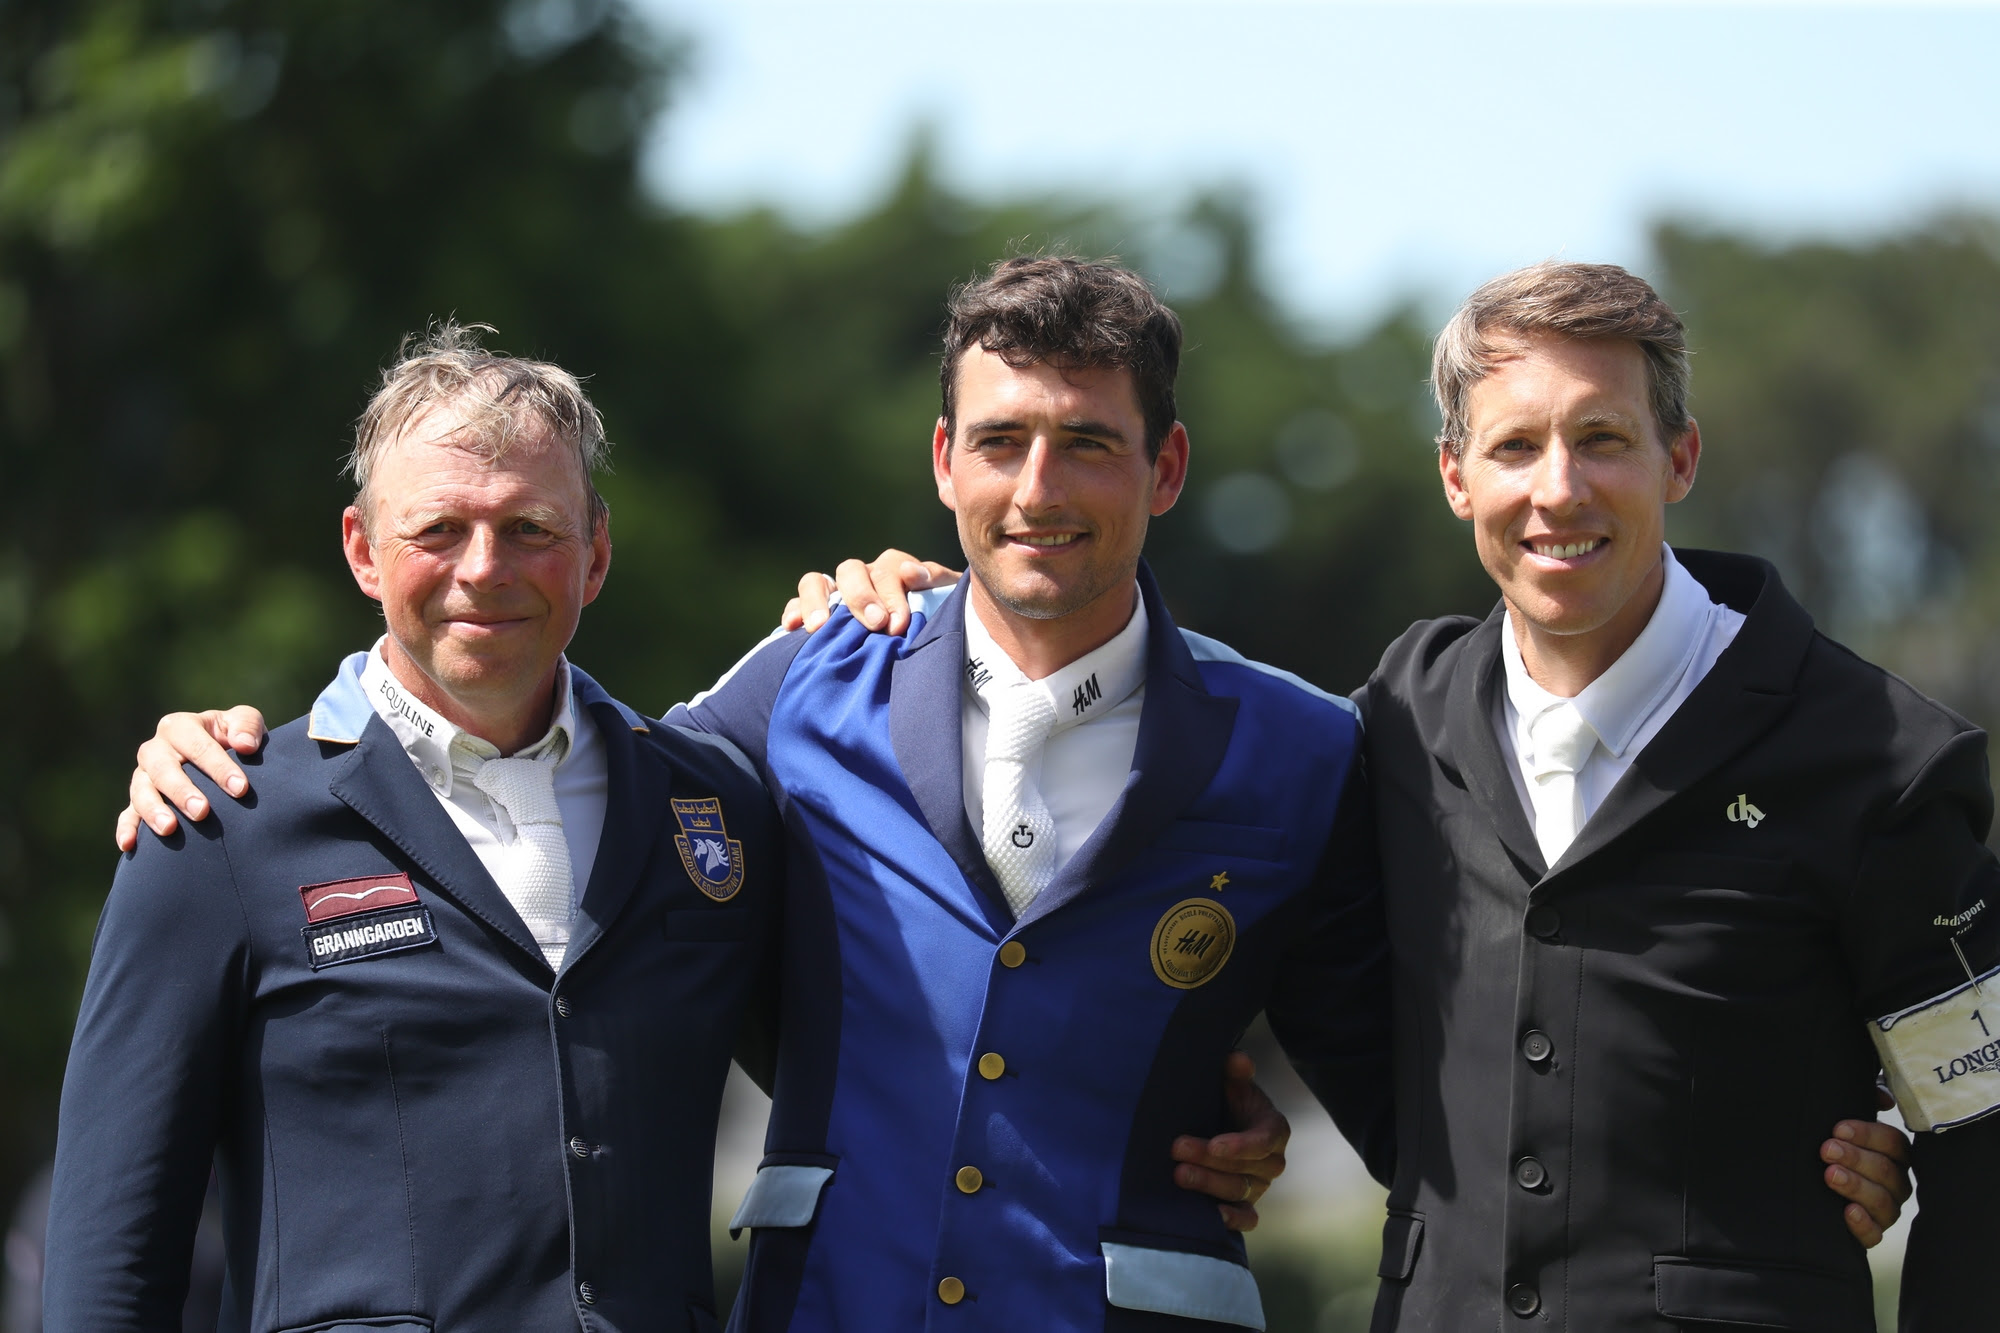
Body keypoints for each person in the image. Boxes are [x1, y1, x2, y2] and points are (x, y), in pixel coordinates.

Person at [119, 261, 1916, 1328]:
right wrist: (256, 745)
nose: (1041, 484)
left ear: (1168, 465)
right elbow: (529, 802)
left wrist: (1812, 1151)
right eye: (1002, 440)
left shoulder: (1308, 747)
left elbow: (1458, 1049)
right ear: (943, 461)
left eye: (1089, 442)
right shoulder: (780, 700)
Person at [801, 261, 1993, 1329]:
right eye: (1515, 446)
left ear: (1678, 456)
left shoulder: (1879, 759)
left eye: (1602, 438)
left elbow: (1982, 1138)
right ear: (1452, 477)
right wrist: (1216, 1108)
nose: (1557, 490)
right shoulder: (1392, 724)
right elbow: (1323, 1014)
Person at [46, 326, 784, 1331]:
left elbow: (872, 1077)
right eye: (439, 529)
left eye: (531, 527)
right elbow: (110, 1258)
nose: (484, 567)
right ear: (362, 548)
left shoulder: (714, 810)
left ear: (597, 551)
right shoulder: (219, 823)